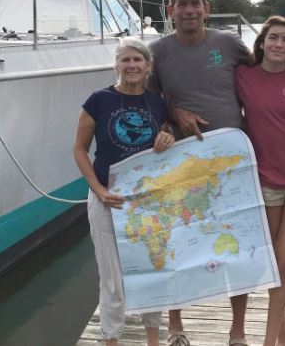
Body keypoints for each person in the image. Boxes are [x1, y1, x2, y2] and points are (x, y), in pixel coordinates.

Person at [147, 0, 256, 346]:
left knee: (237, 244)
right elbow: (145, 103)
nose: (189, 10)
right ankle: (176, 324)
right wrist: (173, 111)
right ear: (170, 12)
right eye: (182, 5)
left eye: (196, 3)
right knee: (179, 242)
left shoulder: (229, 44)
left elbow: (264, 75)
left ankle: (237, 329)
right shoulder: (156, 51)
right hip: (182, 161)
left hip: (230, 160)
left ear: (207, 9)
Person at [73, 38, 176, 346]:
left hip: (148, 201)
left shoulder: (157, 102)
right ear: (116, 65)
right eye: (125, 60)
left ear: (147, 66)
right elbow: (79, 150)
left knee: (153, 271)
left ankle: (153, 340)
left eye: (138, 60)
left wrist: (168, 135)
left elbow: (166, 136)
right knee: (113, 281)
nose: (131, 65)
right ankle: (111, 340)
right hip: (108, 200)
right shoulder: (98, 100)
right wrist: (99, 190)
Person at [235, 16, 285, 346]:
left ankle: (270, 341)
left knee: (284, 259)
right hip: (264, 180)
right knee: (269, 261)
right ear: (263, 42)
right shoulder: (243, 76)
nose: (280, 45)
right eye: (274, 38)